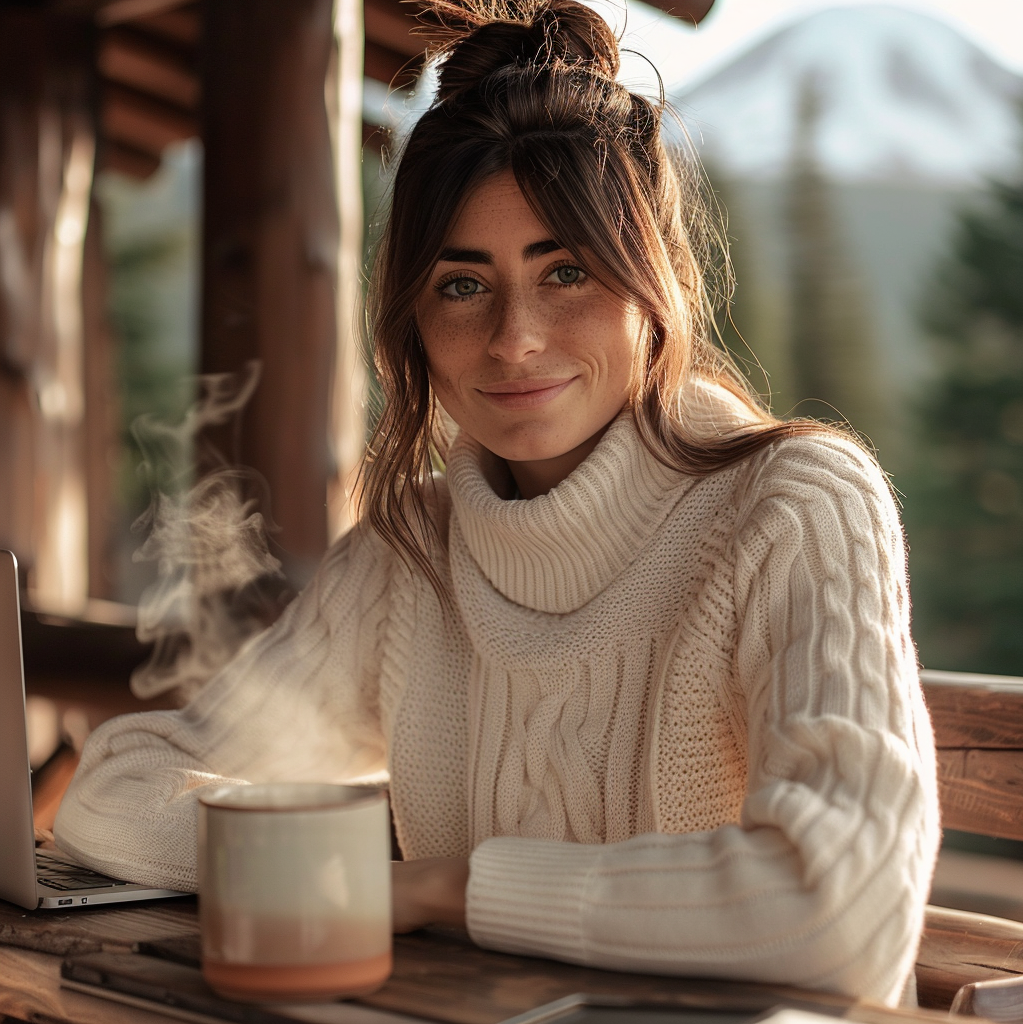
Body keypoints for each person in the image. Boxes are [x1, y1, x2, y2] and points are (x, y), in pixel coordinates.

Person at [54, 0, 940, 1007]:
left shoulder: (792, 503)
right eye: (463, 285)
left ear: (657, 289)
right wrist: (325, 858)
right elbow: (116, 798)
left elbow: (843, 904)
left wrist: (446, 886)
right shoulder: (413, 548)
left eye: (566, 271)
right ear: (414, 322)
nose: (516, 338)